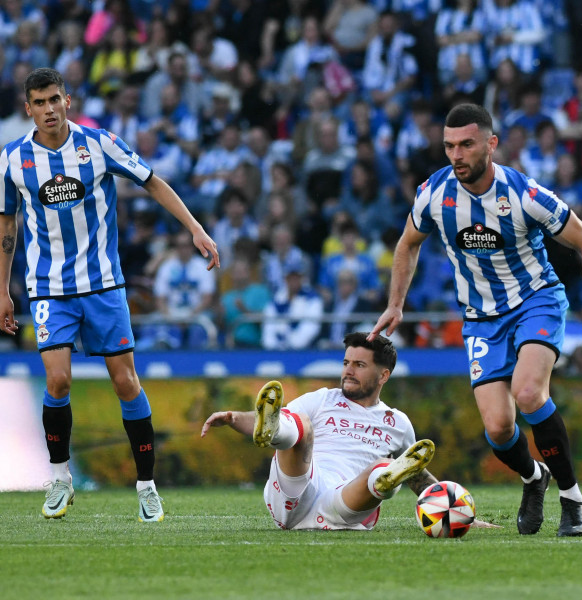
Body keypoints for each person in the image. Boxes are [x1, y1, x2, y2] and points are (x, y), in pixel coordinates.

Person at [370, 103, 582, 537]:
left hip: (535, 300)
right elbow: (408, 244)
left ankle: (572, 498)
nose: (456, 155)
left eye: (466, 144)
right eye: (449, 146)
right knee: (499, 428)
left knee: (527, 393)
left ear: (490, 143)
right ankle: (533, 478)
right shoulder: (434, 194)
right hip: (481, 319)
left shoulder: (524, 194)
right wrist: (396, 303)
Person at [0, 67, 219, 521]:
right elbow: (6, 225)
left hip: (103, 285)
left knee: (125, 382)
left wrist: (195, 228)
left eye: (54, 100)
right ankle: (60, 479)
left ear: (68, 101)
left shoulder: (98, 144)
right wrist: (2, 290)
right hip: (49, 289)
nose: (48, 109)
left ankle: (146, 485)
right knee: (57, 381)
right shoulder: (12, 160)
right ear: (28, 110)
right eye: (39, 103)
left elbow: (152, 181)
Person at [201, 333, 492, 532]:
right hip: (299, 487)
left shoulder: (398, 422)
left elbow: (418, 476)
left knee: (381, 470)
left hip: (343, 504)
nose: (348, 371)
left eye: (359, 365)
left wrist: (456, 512)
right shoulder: (324, 399)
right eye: (345, 363)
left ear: (383, 375)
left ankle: (385, 479)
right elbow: (276, 416)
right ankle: (273, 431)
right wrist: (234, 417)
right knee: (298, 424)